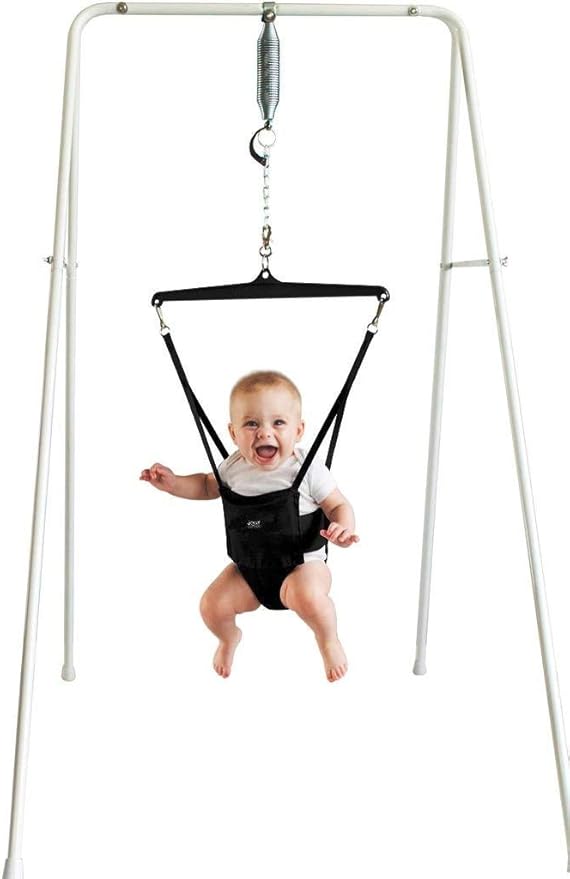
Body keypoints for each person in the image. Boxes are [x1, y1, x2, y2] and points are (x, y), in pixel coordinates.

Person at [140, 370, 359, 683]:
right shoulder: (233, 468)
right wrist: (173, 484)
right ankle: (228, 638)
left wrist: (343, 527)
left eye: (278, 423)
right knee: (211, 606)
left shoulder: (308, 470)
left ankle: (328, 641)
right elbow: (206, 486)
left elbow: (338, 505)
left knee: (308, 597)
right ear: (233, 433)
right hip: (250, 570)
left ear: (298, 430)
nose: (264, 433)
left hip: (303, 567)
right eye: (252, 424)